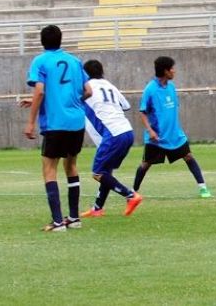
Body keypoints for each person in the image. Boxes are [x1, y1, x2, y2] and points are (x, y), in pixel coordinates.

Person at [23, 25, 91, 232]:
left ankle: (57, 221)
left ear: (42, 41)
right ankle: (73, 218)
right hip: (76, 122)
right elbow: (88, 91)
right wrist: (70, 102)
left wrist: (30, 122)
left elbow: (41, 92)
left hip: (56, 123)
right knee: (71, 166)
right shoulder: (74, 61)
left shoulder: (41, 61)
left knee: (49, 169)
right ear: (61, 40)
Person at [132, 57, 212, 198]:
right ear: (165, 71)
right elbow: (142, 112)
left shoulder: (171, 87)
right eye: (172, 69)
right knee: (145, 164)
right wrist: (150, 130)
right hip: (157, 137)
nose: (174, 71)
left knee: (188, 157)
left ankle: (203, 188)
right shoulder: (150, 89)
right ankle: (133, 193)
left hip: (175, 135)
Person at [80, 60, 142, 218]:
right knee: (106, 171)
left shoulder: (86, 87)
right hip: (127, 131)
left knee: (98, 173)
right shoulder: (109, 85)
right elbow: (125, 105)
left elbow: (69, 100)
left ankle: (130, 195)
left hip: (113, 134)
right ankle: (97, 208)